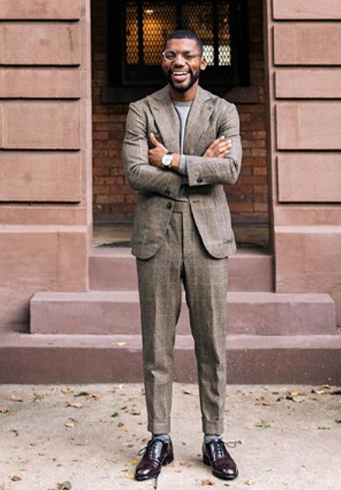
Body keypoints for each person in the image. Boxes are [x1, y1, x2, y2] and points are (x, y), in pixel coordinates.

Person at [122, 29, 242, 481]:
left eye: (188, 55)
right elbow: (135, 172)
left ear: (202, 62)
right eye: (171, 54)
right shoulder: (142, 110)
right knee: (157, 344)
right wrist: (197, 166)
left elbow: (229, 169)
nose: (179, 62)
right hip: (156, 238)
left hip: (210, 238)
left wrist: (170, 160)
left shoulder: (223, 110)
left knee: (212, 343)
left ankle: (214, 438)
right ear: (163, 61)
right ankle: (160, 438)